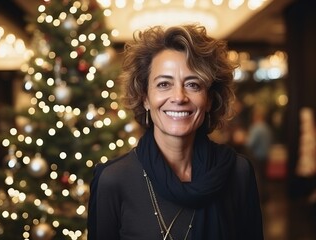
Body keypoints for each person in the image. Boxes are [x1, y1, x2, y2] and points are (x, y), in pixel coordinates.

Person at [87, 24, 264, 240]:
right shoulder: (112, 179)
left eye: (193, 84)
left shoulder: (239, 172)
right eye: (163, 84)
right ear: (144, 98)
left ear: (209, 99)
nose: (179, 97)